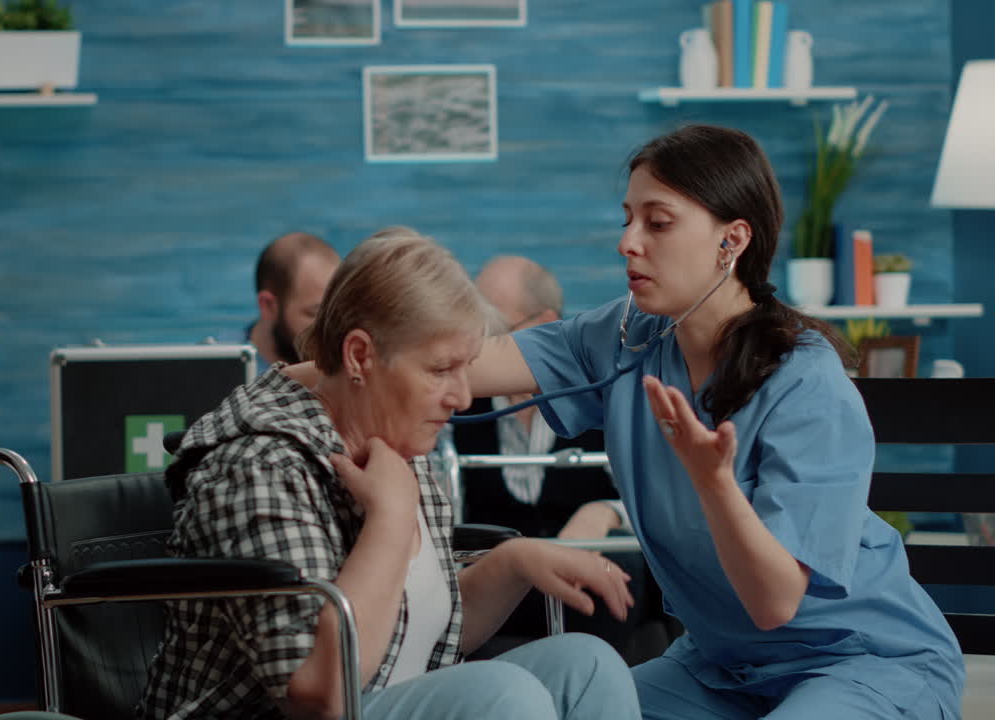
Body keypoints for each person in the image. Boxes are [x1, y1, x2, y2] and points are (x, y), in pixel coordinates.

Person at [465, 124, 964, 719]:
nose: (627, 242)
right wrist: (339, 372)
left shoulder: (807, 384)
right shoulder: (625, 337)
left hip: (862, 661)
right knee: (576, 708)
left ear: (732, 241)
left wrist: (715, 483)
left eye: (658, 222)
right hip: (722, 668)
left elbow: (774, 601)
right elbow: (461, 366)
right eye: (628, 218)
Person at [143, 227, 641, 720]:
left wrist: (512, 563)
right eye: (441, 370)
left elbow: (414, 633)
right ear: (360, 356)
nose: (463, 397)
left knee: (589, 666)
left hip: (375, 699)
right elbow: (320, 694)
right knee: (501, 691)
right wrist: (390, 518)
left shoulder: (398, 438)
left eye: (466, 368)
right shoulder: (260, 466)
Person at [457, 255, 676, 665]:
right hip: (500, 592)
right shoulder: (458, 406)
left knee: (619, 557)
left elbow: (662, 497)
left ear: (545, 324)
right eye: (473, 331)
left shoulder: (607, 394)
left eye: (494, 331)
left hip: (586, 590)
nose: (475, 352)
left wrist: (605, 512)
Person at [246, 231, 340, 373]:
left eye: (337, 311)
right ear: (269, 306)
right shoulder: (217, 368)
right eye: (315, 313)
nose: (333, 329)